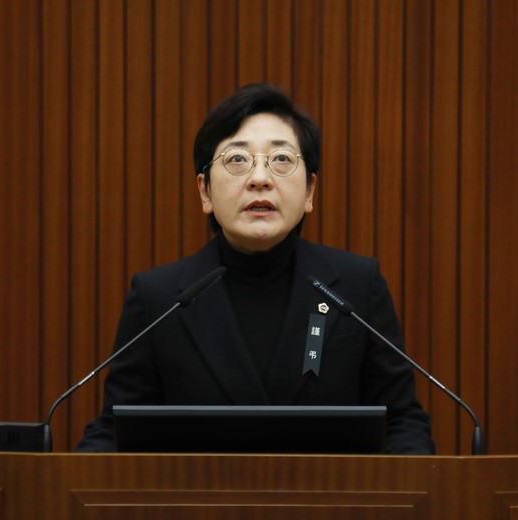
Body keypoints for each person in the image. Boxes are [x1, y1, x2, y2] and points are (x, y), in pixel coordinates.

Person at [77, 83, 435, 454]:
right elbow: (116, 430)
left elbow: (402, 422)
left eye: (281, 159)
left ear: (310, 191)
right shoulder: (159, 299)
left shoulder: (356, 287)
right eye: (237, 159)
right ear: (205, 192)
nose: (260, 178)